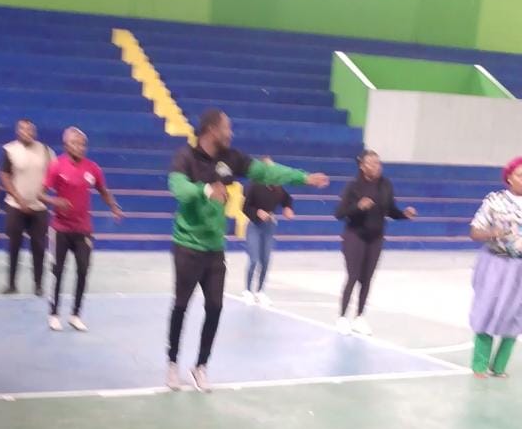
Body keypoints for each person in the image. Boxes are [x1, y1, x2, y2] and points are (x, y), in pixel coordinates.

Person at [166, 109, 329, 392]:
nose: (230, 133)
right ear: (212, 130)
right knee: (181, 306)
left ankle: (200, 366)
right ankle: (172, 363)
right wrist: (205, 190)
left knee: (215, 307)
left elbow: (266, 171)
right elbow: (178, 188)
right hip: (188, 246)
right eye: (226, 128)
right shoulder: (186, 157)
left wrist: (303, 177)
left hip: (215, 248)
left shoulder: (232, 158)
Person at [43, 127, 123, 332]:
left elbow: (103, 190)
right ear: (66, 145)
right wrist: (55, 201)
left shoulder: (92, 168)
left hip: (83, 229)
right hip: (60, 229)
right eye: (75, 143)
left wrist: (113, 206)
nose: (80, 147)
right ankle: (54, 313)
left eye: (83, 144)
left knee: (83, 270)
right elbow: (40, 194)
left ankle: (76, 314)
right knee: (58, 271)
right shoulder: (56, 165)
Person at [334, 150, 416, 336]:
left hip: (376, 237)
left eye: (378, 163)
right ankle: (342, 317)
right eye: (372, 163)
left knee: (367, 278)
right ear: (362, 166)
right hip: (355, 235)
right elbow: (339, 213)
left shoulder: (385, 185)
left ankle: (359, 317)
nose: (377, 166)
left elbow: (391, 210)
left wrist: (404, 214)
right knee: (353, 275)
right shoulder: (353, 186)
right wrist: (358, 206)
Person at [468, 156, 522, 378]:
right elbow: (474, 232)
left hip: (519, 267)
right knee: (487, 309)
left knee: (515, 314)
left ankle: (499, 367)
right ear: (509, 178)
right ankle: (479, 365)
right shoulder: (495, 201)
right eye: (520, 175)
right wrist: (492, 232)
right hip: (495, 263)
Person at [0, 120, 55, 296]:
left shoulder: (46, 151)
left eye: (30, 129)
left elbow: (54, 174)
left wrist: (44, 194)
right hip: (16, 206)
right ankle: (11, 284)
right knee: (14, 245)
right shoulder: (10, 150)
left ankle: (38, 285)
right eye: (23, 129)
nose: (27, 132)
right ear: (18, 131)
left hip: (39, 207)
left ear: (35, 132)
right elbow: (5, 176)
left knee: (38, 247)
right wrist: (19, 199)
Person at [241, 156, 294, 307]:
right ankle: (247, 290)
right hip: (254, 225)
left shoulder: (278, 187)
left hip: (269, 226)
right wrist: (257, 212)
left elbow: (287, 199)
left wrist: (288, 208)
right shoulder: (254, 186)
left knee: (265, 260)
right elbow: (245, 207)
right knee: (254, 259)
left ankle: (260, 291)